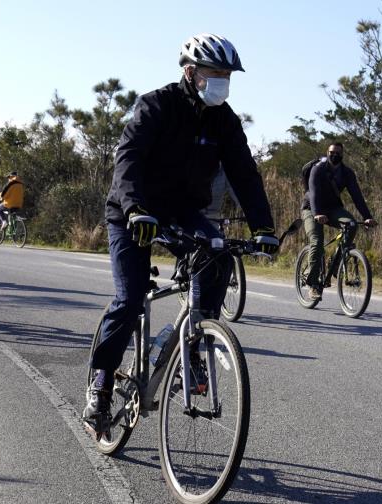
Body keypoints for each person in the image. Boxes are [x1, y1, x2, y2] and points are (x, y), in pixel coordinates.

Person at [83, 33, 280, 434]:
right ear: (190, 73)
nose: (222, 80)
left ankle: (194, 338)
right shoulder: (157, 105)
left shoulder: (225, 120)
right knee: (131, 296)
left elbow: (244, 173)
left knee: (221, 252)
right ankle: (101, 383)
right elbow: (129, 160)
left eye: (227, 74)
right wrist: (136, 208)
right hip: (131, 211)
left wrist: (264, 227)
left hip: (182, 211)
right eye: (214, 72)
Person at [302, 142, 377, 300]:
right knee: (317, 243)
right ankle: (313, 284)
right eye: (331, 152)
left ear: (342, 155)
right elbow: (313, 193)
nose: (334, 155)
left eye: (338, 153)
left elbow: (357, 196)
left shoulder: (347, 173)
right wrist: (317, 214)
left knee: (351, 224)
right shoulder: (318, 169)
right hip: (311, 208)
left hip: (333, 208)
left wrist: (367, 216)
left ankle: (337, 262)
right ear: (327, 153)